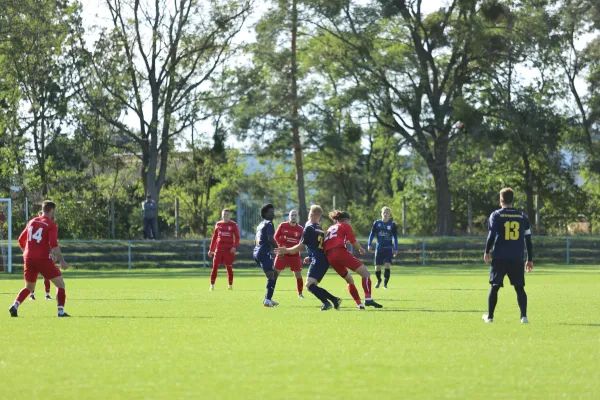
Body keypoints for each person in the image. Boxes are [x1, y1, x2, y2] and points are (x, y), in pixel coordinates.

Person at [9, 200, 70, 317]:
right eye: (54, 211)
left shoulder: (32, 221)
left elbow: (21, 240)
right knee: (60, 284)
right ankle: (60, 312)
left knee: (29, 287)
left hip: (28, 258)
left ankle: (15, 305)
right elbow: (53, 244)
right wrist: (61, 259)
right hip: (42, 259)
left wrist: (27, 252)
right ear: (51, 210)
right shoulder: (51, 225)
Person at [482, 188, 533, 324]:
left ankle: (490, 317)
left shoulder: (496, 215)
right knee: (519, 288)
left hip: (500, 257)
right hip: (517, 257)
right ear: (512, 199)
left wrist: (487, 251)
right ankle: (524, 317)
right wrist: (530, 259)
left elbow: (491, 235)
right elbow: (528, 239)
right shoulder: (522, 216)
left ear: (501, 200)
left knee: (495, 286)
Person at [277, 205, 341, 311]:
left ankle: (328, 302)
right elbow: (318, 246)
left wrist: (286, 250)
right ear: (319, 217)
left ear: (311, 214)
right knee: (312, 285)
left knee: (309, 285)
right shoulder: (319, 228)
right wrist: (310, 257)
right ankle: (333, 300)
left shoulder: (309, 228)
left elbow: (301, 246)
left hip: (318, 260)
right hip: (322, 260)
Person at [324, 210, 383, 309]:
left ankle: (359, 305)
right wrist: (360, 248)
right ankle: (368, 299)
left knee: (349, 280)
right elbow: (353, 240)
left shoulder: (331, 228)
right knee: (366, 274)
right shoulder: (345, 225)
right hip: (340, 252)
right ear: (347, 220)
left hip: (330, 256)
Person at [253, 203, 279, 307]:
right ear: (265, 213)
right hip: (264, 252)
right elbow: (270, 239)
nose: (273, 214)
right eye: (270, 212)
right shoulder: (269, 224)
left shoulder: (260, 224)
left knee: (275, 273)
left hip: (257, 252)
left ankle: (268, 297)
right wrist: (278, 250)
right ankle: (267, 300)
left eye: (273, 211)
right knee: (271, 277)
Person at [274, 210, 305, 299]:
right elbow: (275, 237)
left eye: (295, 215)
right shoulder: (283, 225)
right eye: (292, 215)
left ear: (297, 217)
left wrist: (295, 249)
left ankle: (300, 294)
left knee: (298, 275)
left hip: (294, 255)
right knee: (275, 273)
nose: (293, 217)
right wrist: (281, 246)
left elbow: (302, 242)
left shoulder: (300, 229)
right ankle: (270, 292)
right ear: (289, 216)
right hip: (282, 254)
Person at [208, 209, 240, 291]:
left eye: (227, 215)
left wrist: (234, 247)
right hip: (218, 249)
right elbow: (214, 237)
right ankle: (212, 285)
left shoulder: (233, 225)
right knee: (214, 267)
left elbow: (237, 237)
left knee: (229, 267)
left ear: (230, 216)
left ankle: (230, 285)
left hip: (228, 250)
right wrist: (211, 249)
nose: (226, 216)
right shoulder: (218, 224)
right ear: (222, 216)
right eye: (224, 214)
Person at [368, 206, 398, 289]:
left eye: (387, 213)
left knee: (387, 265)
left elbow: (395, 237)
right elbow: (372, 234)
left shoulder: (392, 225)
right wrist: (369, 244)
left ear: (389, 215)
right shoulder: (377, 223)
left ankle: (385, 284)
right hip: (379, 248)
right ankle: (379, 280)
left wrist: (395, 248)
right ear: (381, 214)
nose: (385, 214)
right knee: (377, 267)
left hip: (388, 248)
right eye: (384, 212)